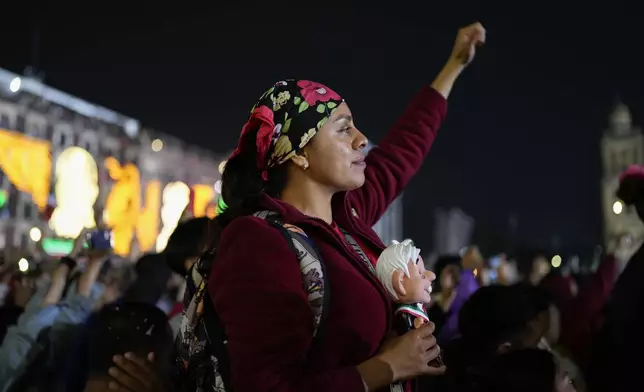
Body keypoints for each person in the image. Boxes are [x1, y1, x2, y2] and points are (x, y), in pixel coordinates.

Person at [196, 22, 486, 392]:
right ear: (299, 152)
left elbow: (403, 149)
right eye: (343, 129)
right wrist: (386, 368)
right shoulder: (257, 241)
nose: (362, 140)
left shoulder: (347, 221)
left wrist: (454, 66)